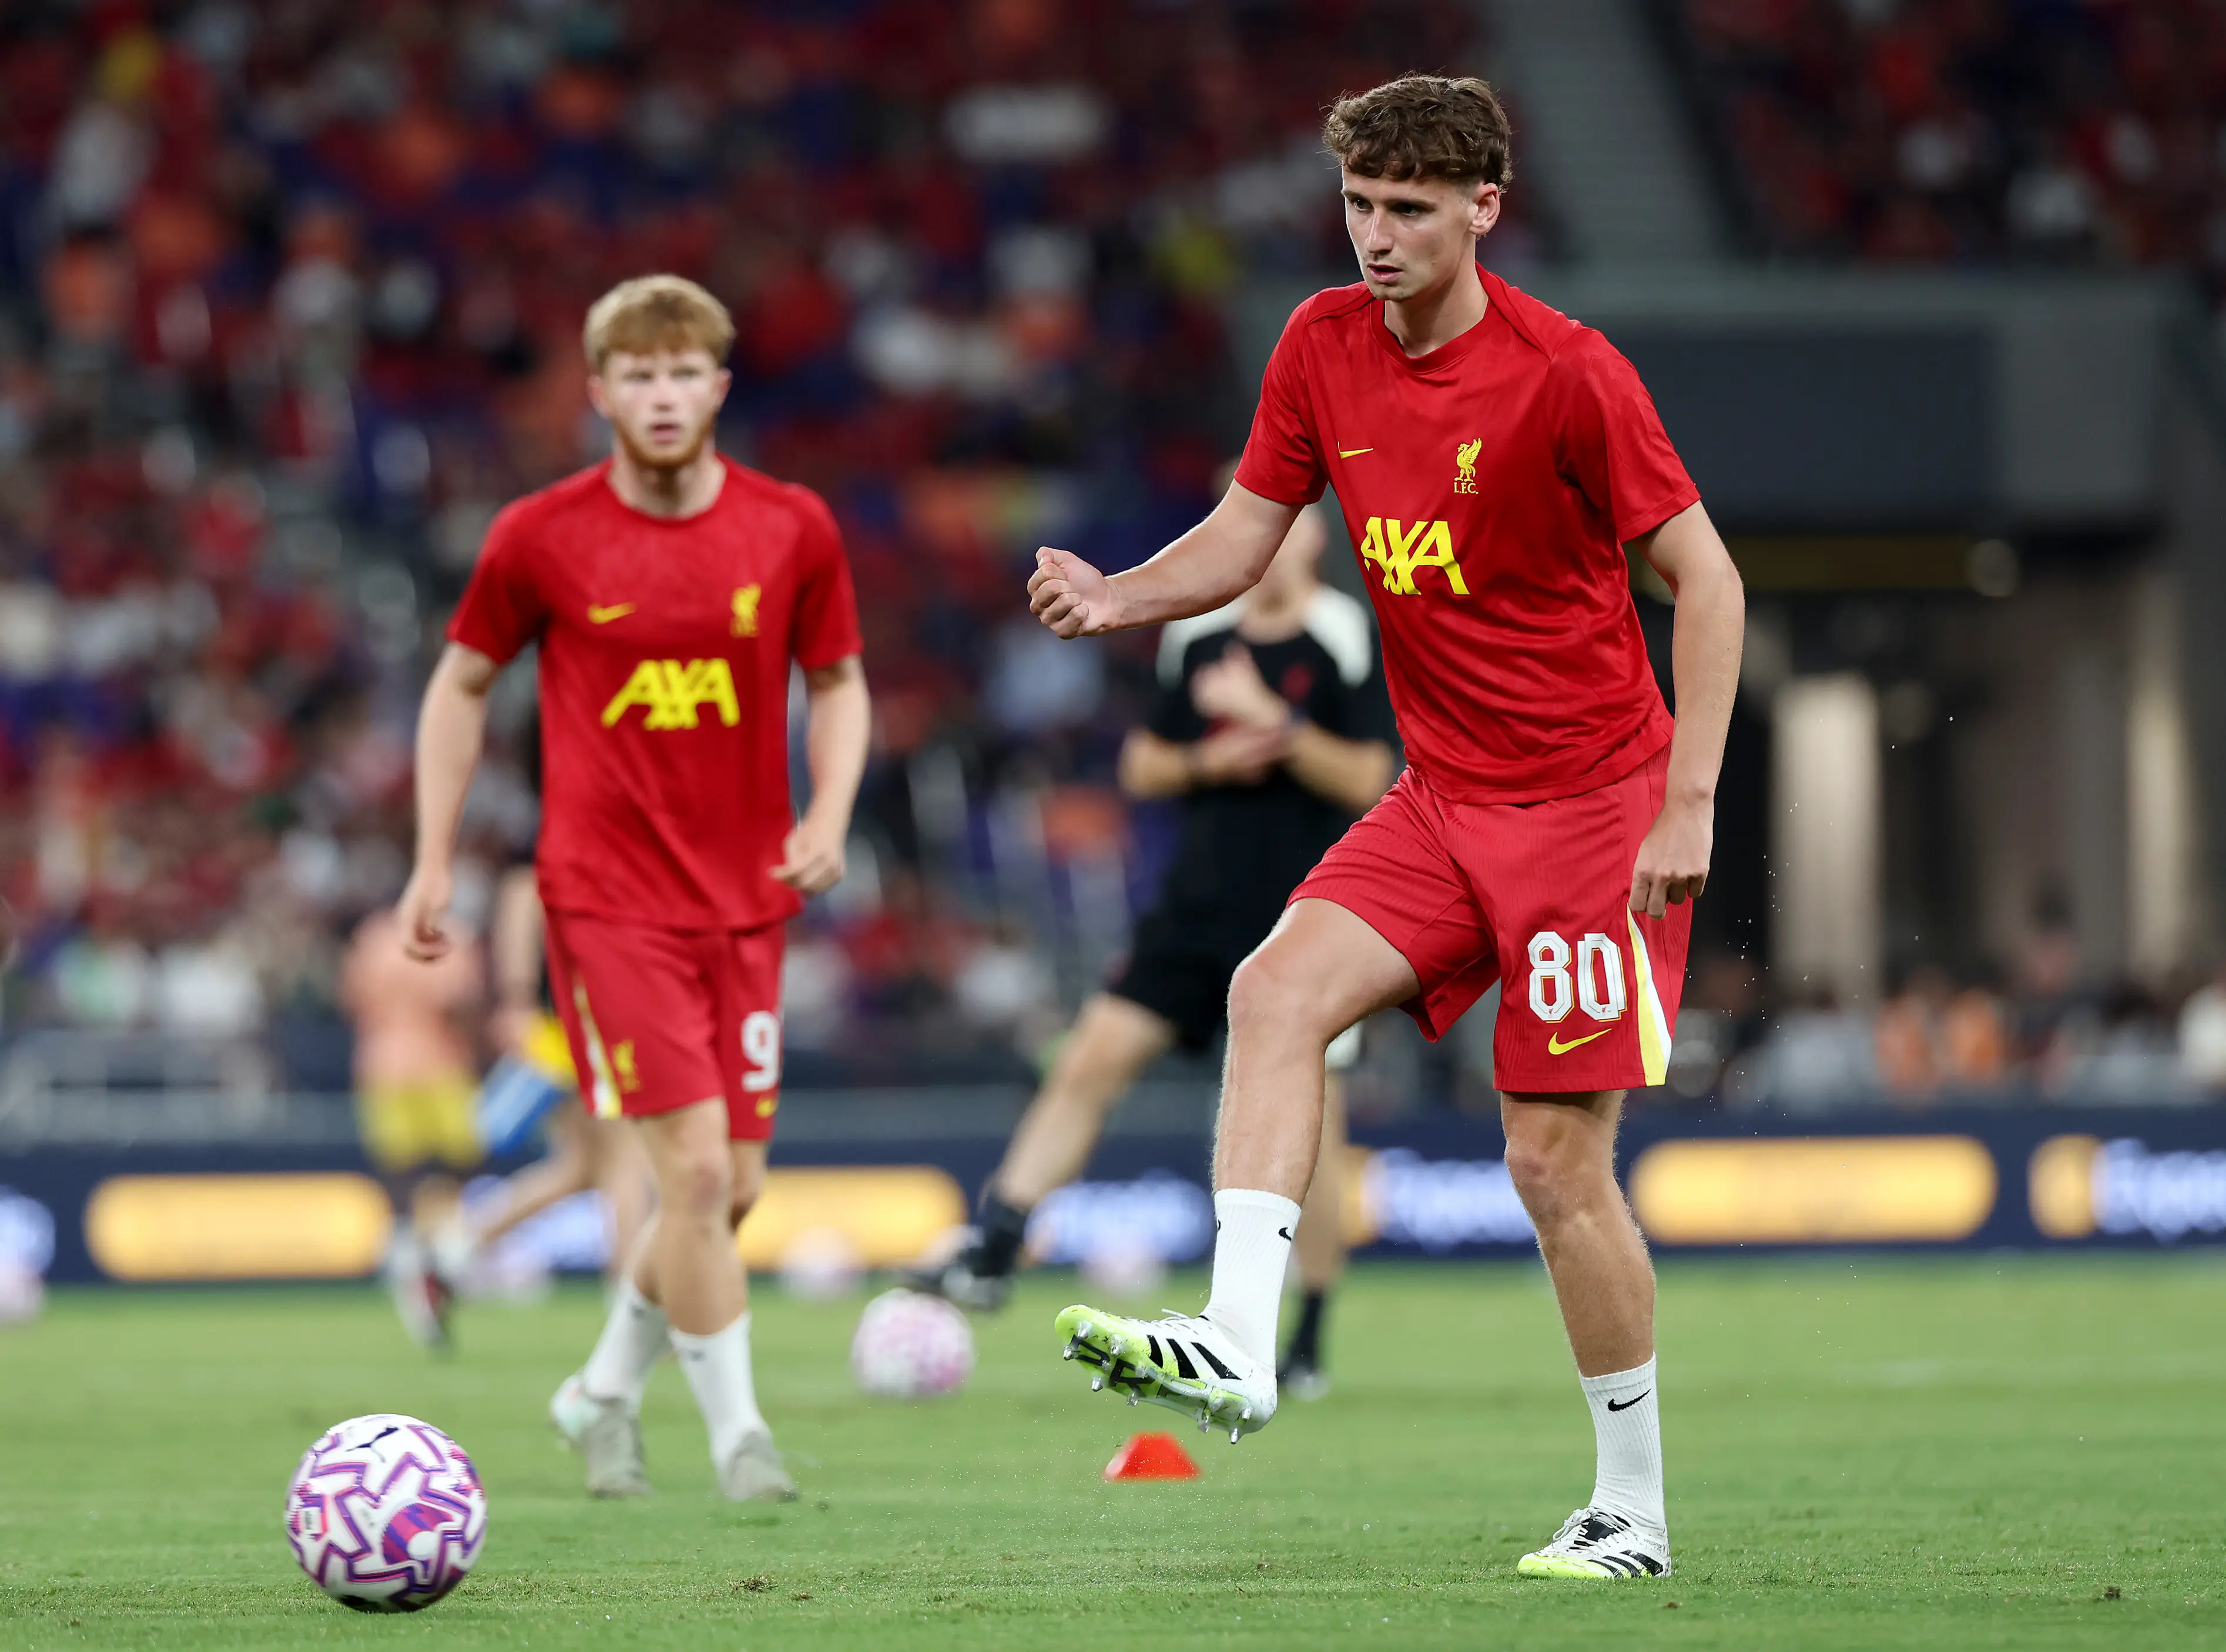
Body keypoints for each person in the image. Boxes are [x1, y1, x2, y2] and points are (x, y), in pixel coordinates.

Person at [1023, 76, 1743, 1581]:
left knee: (1552, 1164)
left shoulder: (1569, 373)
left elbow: (1709, 580)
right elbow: (1244, 532)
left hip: (1594, 808)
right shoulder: (1318, 345)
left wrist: (1688, 801)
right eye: (1360, 203)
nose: (1377, 235)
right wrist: (1119, 594)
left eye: (1411, 208)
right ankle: (1235, 1336)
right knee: (1268, 988)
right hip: (1441, 794)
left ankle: (1634, 1505)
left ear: (1484, 208)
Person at [395, 274, 870, 1502]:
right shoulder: (539, 535)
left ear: (717, 388)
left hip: (749, 898)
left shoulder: (791, 527)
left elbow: (840, 679)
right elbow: (458, 685)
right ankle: (741, 1442)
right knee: (696, 1178)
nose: (661, 397)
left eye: (683, 374)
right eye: (637, 377)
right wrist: (435, 854)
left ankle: (598, 1386)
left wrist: (827, 811)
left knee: (738, 1185)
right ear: (599, 392)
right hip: (606, 903)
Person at [908, 503, 1394, 1399]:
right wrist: (1216, 759)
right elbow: (1144, 764)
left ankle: (1309, 1336)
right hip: (1195, 906)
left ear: (1316, 539)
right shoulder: (1199, 638)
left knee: (1316, 1129)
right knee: (1091, 1056)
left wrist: (1275, 728)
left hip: (1309, 909)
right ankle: (994, 1248)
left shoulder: (1349, 635)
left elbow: (1371, 777)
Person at [338, 903, 484, 1350]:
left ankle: (410, 1265)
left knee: (400, 1176)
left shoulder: (373, 937)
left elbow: (351, 999)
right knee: (457, 1166)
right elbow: (462, 1003)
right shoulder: (454, 934)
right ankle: (442, 1257)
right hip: (441, 1066)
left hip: (384, 1065)